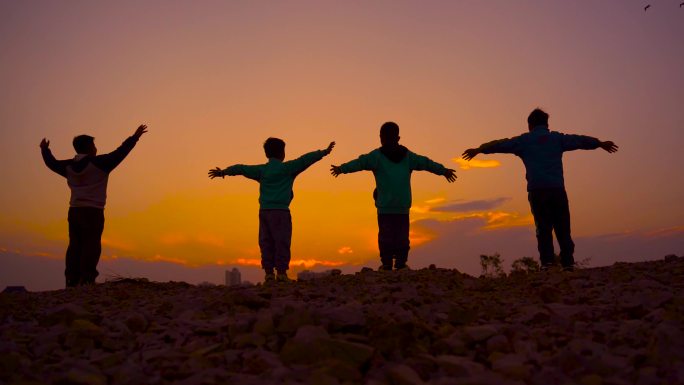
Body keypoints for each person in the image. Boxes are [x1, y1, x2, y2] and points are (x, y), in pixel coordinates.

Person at [462, 108, 618, 271]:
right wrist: (599, 143)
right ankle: (568, 263)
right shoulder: (556, 139)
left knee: (543, 227)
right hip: (557, 189)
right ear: (546, 124)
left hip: (537, 191)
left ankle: (547, 263)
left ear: (530, 125)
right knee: (563, 226)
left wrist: (479, 149)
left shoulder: (524, 141)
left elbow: (500, 144)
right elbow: (579, 140)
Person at [331, 122, 457, 271]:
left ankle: (387, 264)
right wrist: (443, 171)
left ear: (381, 138)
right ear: (398, 138)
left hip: (385, 207)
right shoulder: (408, 157)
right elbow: (427, 163)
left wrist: (342, 169)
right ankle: (400, 263)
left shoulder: (377, 157)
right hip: (401, 206)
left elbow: (359, 162)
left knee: (386, 237)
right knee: (401, 237)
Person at [209, 138, 335, 282]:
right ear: (282, 153)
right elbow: (305, 159)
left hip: (264, 212)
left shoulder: (262, 170)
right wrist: (324, 152)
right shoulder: (288, 168)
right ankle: (281, 273)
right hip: (281, 212)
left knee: (266, 241)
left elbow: (241, 168)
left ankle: (269, 273)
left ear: (267, 154)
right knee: (282, 242)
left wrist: (224, 172)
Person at [40, 124, 148, 287]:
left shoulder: (68, 166)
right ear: (90, 148)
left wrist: (45, 150)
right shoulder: (101, 163)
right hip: (93, 212)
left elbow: (52, 163)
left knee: (75, 245)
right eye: (94, 145)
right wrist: (135, 137)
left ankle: (72, 279)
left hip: (74, 211)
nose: (96, 148)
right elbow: (121, 152)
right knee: (91, 244)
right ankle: (87, 278)